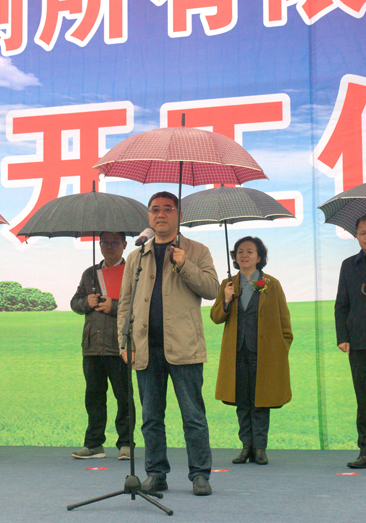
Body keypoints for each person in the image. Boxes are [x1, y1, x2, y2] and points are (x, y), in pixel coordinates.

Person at [118, 191, 219, 497]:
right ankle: (155, 473)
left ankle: (200, 474)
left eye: (167, 209)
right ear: (149, 216)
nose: (160, 214)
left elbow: (212, 289)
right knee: (151, 418)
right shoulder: (137, 256)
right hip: (145, 348)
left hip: (184, 347)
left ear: (179, 215)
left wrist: (184, 264)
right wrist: (124, 341)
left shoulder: (197, 250)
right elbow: (125, 303)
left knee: (193, 416)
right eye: (155, 210)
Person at [210, 236, 293, 465]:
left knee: (261, 402)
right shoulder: (228, 284)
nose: (244, 255)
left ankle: (259, 448)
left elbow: (284, 320)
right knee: (242, 402)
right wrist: (226, 300)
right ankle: (246, 446)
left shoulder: (269, 283)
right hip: (237, 354)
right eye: (240, 251)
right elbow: (216, 317)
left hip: (264, 354)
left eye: (249, 251)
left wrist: (282, 348)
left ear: (259, 257)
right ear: (235, 257)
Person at [71, 232, 134, 460]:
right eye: (105, 242)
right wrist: (85, 303)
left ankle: (126, 444)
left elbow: (139, 306)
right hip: (92, 346)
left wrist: (114, 306)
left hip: (119, 346)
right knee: (94, 397)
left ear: (124, 245)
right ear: (99, 245)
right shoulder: (90, 273)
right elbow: (75, 302)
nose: (109, 247)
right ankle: (94, 444)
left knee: (124, 397)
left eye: (114, 242)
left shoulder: (132, 272)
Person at [335, 215, 366, 469]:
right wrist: (343, 337)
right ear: (356, 236)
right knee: (364, 399)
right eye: (363, 233)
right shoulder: (349, 265)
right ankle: (365, 451)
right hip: (359, 341)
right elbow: (341, 305)